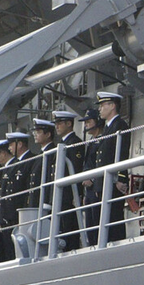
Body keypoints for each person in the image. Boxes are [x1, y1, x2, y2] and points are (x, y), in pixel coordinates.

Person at [92, 92, 131, 244]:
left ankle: (116, 245)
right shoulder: (108, 128)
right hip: (103, 182)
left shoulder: (120, 126)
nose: (100, 109)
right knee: (104, 218)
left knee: (113, 217)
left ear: (113, 106)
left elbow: (122, 153)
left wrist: (120, 178)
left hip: (113, 181)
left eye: (103, 105)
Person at [53, 110, 85, 252]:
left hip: (69, 194)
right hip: (61, 194)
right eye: (56, 124)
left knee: (70, 226)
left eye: (60, 123)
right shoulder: (61, 144)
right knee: (62, 227)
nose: (57, 126)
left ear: (69, 123)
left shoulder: (75, 143)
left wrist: (76, 194)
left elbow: (76, 169)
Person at [79, 109, 104, 247]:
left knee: (96, 222)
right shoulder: (91, 141)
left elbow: (102, 161)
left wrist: (93, 180)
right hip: (88, 191)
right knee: (89, 224)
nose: (86, 125)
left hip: (96, 187)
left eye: (89, 121)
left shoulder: (102, 140)